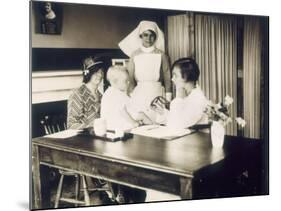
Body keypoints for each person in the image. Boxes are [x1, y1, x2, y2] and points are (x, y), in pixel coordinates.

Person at [118, 20, 172, 122]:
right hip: (140, 93)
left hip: (157, 92)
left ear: (155, 37)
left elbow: (167, 76)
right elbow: (130, 76)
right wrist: (132, 93)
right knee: (143, 121)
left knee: (158, 120)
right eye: (145, 35)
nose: (148, 38)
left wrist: (168, 97)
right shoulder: (135, 54)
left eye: (152, 35)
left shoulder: (162, 55)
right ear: (141, 36)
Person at [153, 58, 209, 129]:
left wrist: (179, 99)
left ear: (185, 77)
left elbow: (176, 125)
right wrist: (163, 113)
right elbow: (176, 118)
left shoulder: (198, 99)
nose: (172, 79)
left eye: (175, 76)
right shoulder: (186, 96)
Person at [101, 66, 152, 131]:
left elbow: (128, 108)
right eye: (125, 81)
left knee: (141, 115)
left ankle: (153, 127)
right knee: (142, 116)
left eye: (128, 80)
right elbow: (122, 111)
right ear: (115, 82)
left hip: (112, 125)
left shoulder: (112, 92)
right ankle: (154, 128)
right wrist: (134, 123)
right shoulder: (115, 94)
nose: (128, 83)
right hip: (117, 126)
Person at [67, 56, 109, 129]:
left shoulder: (101, 96)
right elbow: (71, 125)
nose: (100, 75)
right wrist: (92, 127)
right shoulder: (78, 94)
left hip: (99, 135)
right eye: (96, 72)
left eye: (101, 72)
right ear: (88, 74)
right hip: (83, 137)